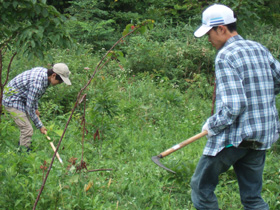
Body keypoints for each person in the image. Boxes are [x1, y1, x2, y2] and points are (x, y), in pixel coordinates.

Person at [191, 4, 280, 210]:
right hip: (262, 136)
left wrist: (212, 125)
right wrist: (262, 93)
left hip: (235, 139)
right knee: (252, 198)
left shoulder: (225, 55)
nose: (209, 39)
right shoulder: (259, 48)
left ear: (221, 29)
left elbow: (234, 106)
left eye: (209, 34)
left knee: (201, 188)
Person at [2, 63, 72, 151]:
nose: (60, 83)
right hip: (12, 99)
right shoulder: (38, 84)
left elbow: (33, 96)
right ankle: (23, 153)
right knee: (27, 129)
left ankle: (22, 145)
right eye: (60, 80)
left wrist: (36, 108)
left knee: (26, 125)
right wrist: (40, 126)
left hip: (21, 97)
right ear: (53, 75)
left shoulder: (44, 73)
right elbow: (29, 107)